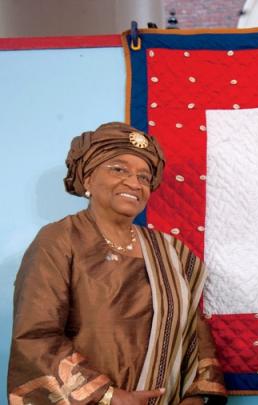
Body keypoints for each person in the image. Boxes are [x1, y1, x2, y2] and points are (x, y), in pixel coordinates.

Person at [8, 122, 227, 405]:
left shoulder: (171, 251)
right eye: (118, 169)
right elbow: (35, 335)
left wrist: (196, 396)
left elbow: (194, 334)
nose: (134, 183)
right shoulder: (60, 240)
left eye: (144, 177)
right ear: (87, 178)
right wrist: (108, 396)